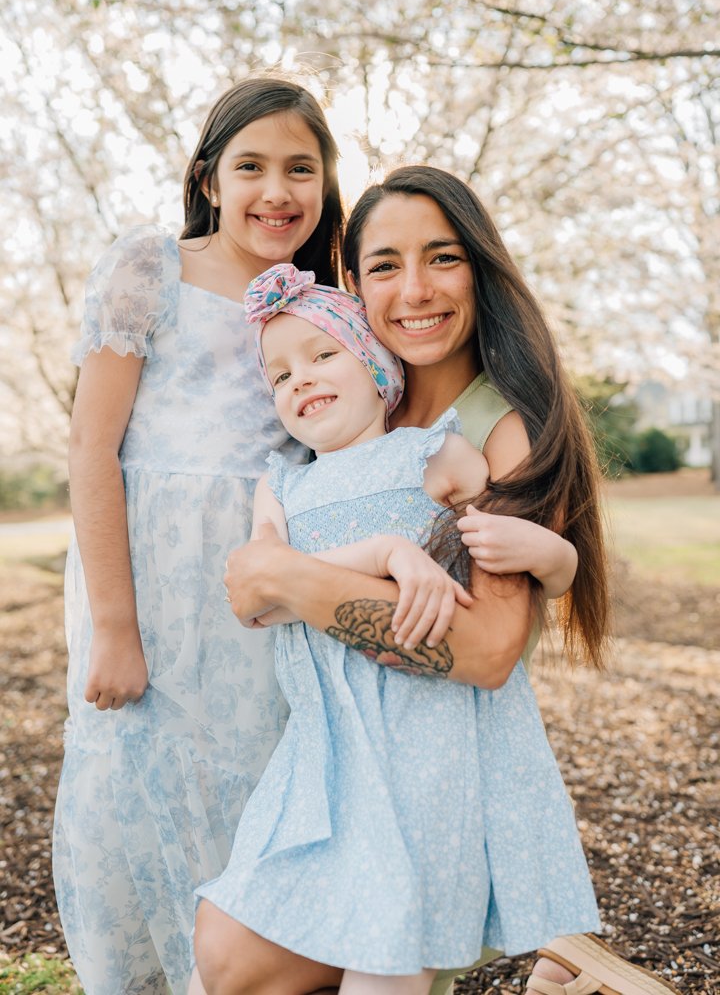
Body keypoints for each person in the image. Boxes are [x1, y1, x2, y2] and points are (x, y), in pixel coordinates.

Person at [219, 167, 679, 995]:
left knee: (241, 965)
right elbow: (248, 585)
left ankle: (559, 952)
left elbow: (489, 649)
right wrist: (279, 571)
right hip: (335, 749)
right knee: (223, 951)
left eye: (444, 257)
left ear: (481, 269)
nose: (417, 289)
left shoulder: (498, 425)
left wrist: (292, 574)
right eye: (387, 265)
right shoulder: (349, 402)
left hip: (432, 764)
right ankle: (561, 962)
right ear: (354, 286)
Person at [189, 263, 598, 995]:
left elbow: (505, 557)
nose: (301, 381)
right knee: (236, 914)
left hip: (426, 739)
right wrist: (386, 553)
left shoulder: (433, 454)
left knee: (392, 951)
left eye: (322, 356)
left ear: (376, 367)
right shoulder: (279, 485)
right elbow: (261, 590)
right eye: (280, 376)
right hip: (327, 751)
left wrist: (560, 560)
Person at [52, 76, 344, 995]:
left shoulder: (319, 299)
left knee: (250, 802)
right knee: (128, 802)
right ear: (209, 178)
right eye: (252, 166)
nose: (278, 191)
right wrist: (116, 630)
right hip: (147, 594)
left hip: (259, 600)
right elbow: (94, 450)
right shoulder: (151, 267)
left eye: (302, 168)